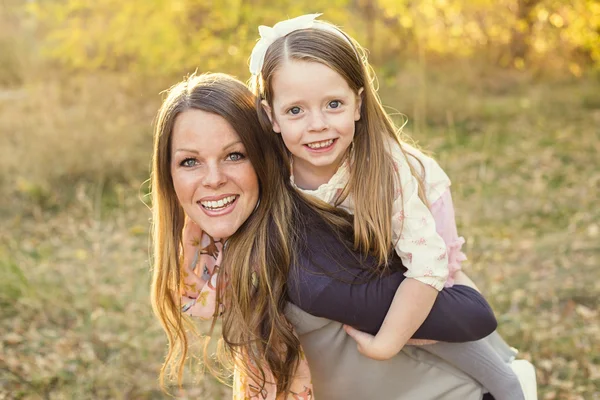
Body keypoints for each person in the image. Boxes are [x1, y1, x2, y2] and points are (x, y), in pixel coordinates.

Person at [151, 73, 507, 399]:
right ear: (167, 173)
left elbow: (471, 317)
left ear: (263, 157)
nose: (212, 178)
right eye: (189, 161)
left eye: (234, 155)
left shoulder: (307, 261)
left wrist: (510, 390)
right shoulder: (217, 245)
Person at [249, 13, 536, 399]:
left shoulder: (386, 169)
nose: (316, 125)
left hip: (424, 255)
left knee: (446, 335)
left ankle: (511, 384)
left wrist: (388, 342)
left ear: (358, 104)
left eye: (333, 104)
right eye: (295, 110)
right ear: (271, 116)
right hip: (362, 266)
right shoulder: (272, 171)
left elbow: (427, 267)